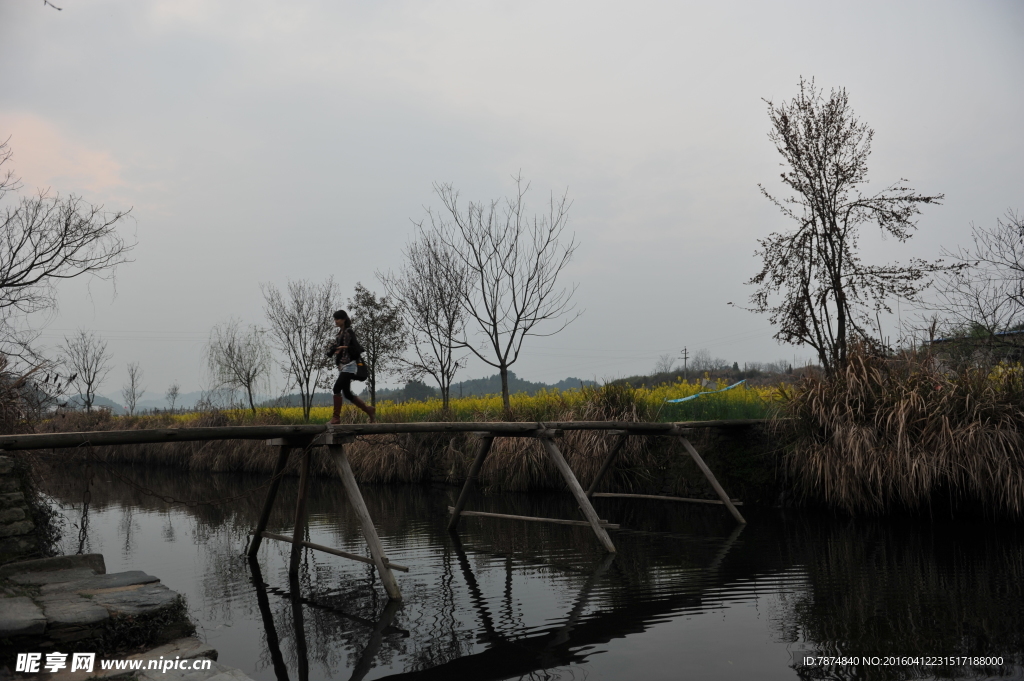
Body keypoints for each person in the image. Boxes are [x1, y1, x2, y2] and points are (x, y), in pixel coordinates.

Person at [326, 310, 375, 424]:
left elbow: (357, 349)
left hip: (350, 365)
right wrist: (335, 349)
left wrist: (345, 348)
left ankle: (336, 418)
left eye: (337, 319)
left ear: (343, 319)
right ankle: (368, 410)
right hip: (342, 366)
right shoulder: (339, 334)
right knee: (347, 393)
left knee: (336, 388)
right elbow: (332, 351)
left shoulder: (349, 332)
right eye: (334, 319)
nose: (335, 321)